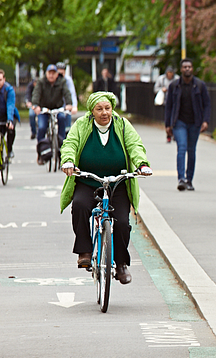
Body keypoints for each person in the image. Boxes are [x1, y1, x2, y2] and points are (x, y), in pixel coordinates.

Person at [60, 92, 152, 285]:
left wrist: (141, 164)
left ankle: (120, 264)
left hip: (116, 183)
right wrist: (68, 160)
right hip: (88, 180)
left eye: (107, 108)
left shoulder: (122, 125)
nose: (104, 113)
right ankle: (84, 251)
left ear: (112, 109)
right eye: (99, 109)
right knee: (79, 206)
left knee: (121, 223)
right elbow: (70, 144)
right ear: (92, 111)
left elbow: (135, 145)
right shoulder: (82, 125)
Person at [165, 59, 211, 191]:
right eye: (184, 67)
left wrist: (205, 121)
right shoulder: (174, 86)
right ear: (181, 69)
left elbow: (207, 104)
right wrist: (168, 124)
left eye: (189, 67)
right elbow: (169, 106)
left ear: (192, 69)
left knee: (191, 150)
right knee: (182, 148)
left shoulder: (199, 85)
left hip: (195, 122)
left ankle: (189, 179)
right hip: (179, 122)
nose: (187, 69)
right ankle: (181, 178)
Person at [31, 64, 72, 164]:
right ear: (46, 73)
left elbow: (67, 93)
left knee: (62, 119)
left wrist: (69, 104)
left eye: (53, 73)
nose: (51, 76)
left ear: (57, 74)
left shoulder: (62, 82)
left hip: (57, 108)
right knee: (41, 127)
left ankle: (62, 148)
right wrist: (36, 105)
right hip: (44, 109)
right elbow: (36, 94)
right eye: (49, 73)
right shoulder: (41, 82)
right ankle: (41, 152)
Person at [155, 66, 176, 143]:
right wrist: (162, 89)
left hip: (175, 102)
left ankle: (174, 133)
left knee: (174, 118)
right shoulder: (162, 79)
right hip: (166, 102)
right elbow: (155, 89)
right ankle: (168, 134)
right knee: (168, 118)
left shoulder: (177, 79)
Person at [56, 62, 79, 130]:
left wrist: (74, 106)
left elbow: (72, 93)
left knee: (67, 119)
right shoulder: (53, 79)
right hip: (55, 104)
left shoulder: (68, 80)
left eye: (62, 74)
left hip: (65, 104)